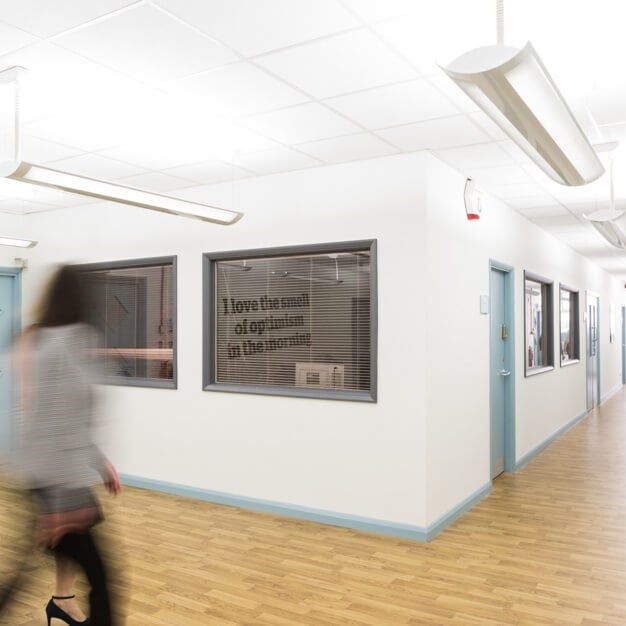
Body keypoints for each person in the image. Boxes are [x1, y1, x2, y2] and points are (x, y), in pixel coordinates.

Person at [11, 265, 121, 626]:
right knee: (102, 581)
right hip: (55, 480)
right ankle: (62, 602)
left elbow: (59, 416)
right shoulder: (71, 341)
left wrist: (99, 462)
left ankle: (61, 600)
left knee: (30, 564)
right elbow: (59, 419)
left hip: (41, 473)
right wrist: (60, 505)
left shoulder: (36, 338)